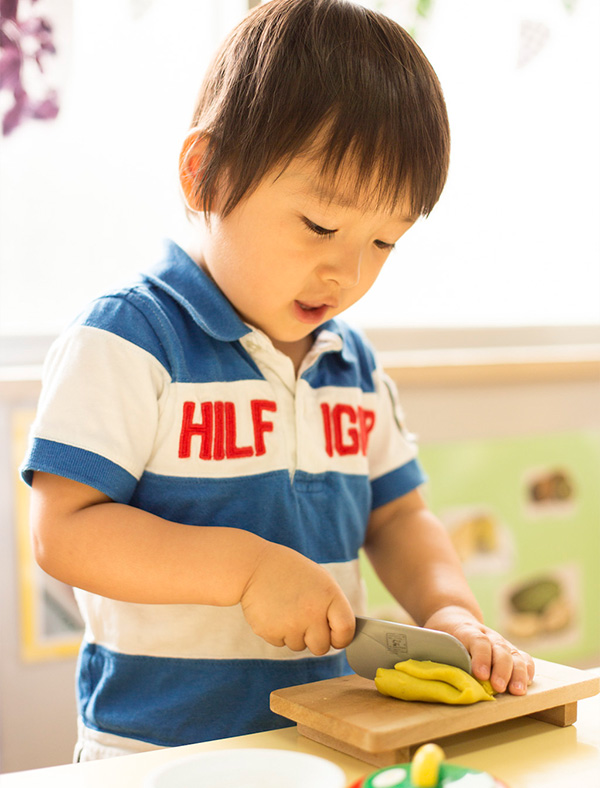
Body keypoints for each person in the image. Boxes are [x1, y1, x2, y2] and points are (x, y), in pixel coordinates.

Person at [21, 0, 534, 762]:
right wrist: (246, 569)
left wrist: (451, 611)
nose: (349, 271)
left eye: (385, 241)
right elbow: (63, 532)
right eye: (322, 226)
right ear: (206, 174)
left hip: (325, 742)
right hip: (158, 754)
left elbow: (397, 518)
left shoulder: (349, 363)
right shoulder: (131, 338)